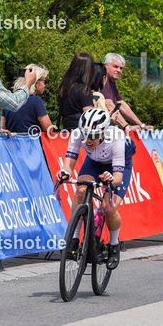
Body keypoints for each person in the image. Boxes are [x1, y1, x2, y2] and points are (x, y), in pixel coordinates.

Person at [55, 109, 134, 267]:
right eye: (85, 134)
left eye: (93, 136)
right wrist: (63, 173)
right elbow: (68, 165)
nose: (88, 140)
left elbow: (118, 178)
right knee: (81, 190)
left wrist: (110, 179)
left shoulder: (116, 139)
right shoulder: (78, 134)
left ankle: (113, 245)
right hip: (95, 162)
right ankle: (75, 238)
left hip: (119, 165)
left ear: (104, 133)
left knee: (108, 208)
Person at [102, 53, 153, 131]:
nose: (119, 70)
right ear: (105, 65)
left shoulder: (111, 81)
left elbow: (122, 105)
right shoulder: (102, 79)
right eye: (115, 66)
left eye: (121, 68)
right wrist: (126, 126)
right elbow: (109, 105)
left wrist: (142, 125)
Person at [2, 64, 54, 135]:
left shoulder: (11, 99)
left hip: (12, 142)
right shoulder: (36, 101)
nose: (45, 85)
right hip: (31, 143)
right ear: (36, 82)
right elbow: (48, 128)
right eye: (44, 81)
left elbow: (2, 127)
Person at [57, 52, 97, 130]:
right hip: (80, 134)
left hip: (66, 132)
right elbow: (89, 118)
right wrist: (95, 106)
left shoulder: (64, 88)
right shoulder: (83, 90)